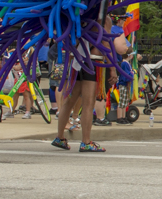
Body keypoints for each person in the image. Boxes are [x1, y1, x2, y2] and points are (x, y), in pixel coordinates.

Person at [53, 16, 130, 153]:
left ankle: (60, 137)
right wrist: (112, 68)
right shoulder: (102, 18)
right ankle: (86, 142)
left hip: (76, 60)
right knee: (88, 103)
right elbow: (105, 44)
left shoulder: (78, 15)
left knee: (69, 102)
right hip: (92, 62)